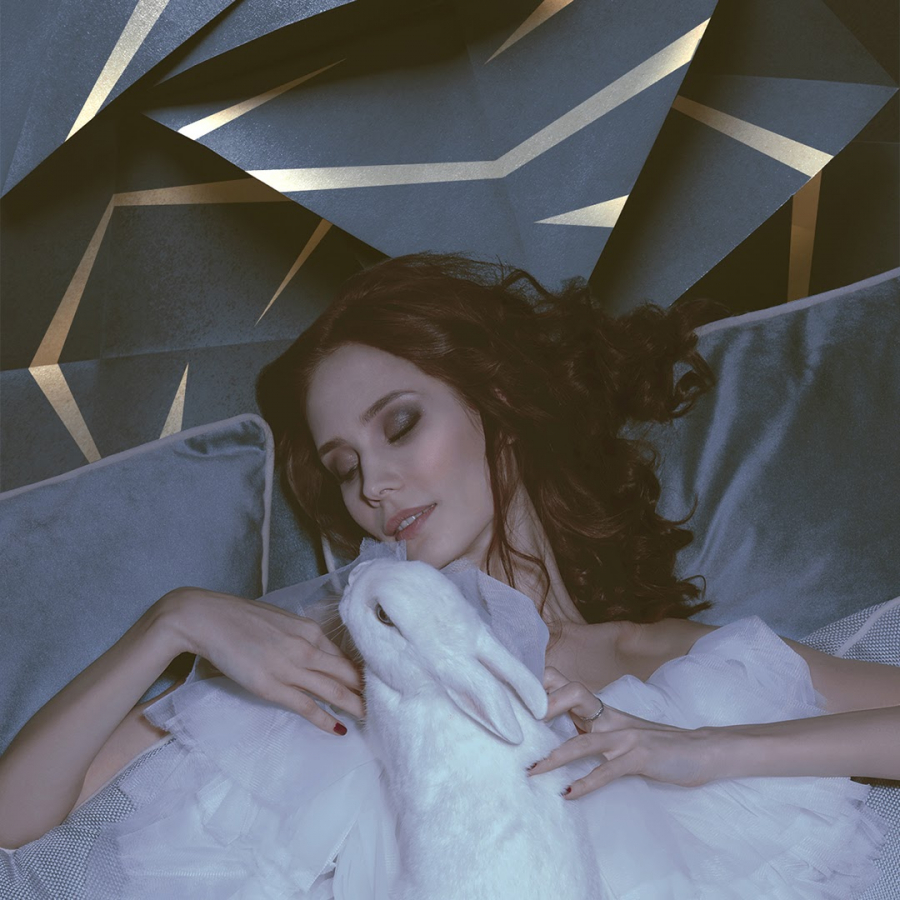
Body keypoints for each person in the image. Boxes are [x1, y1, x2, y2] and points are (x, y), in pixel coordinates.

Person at [1, 252, 897, 898]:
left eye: (399, 426)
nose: (374, 486)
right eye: (345, 467)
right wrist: (174, 622)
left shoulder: (661, 657)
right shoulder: (322, 654)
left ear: (498, 404)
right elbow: (14, 820)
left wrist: (706, 751)